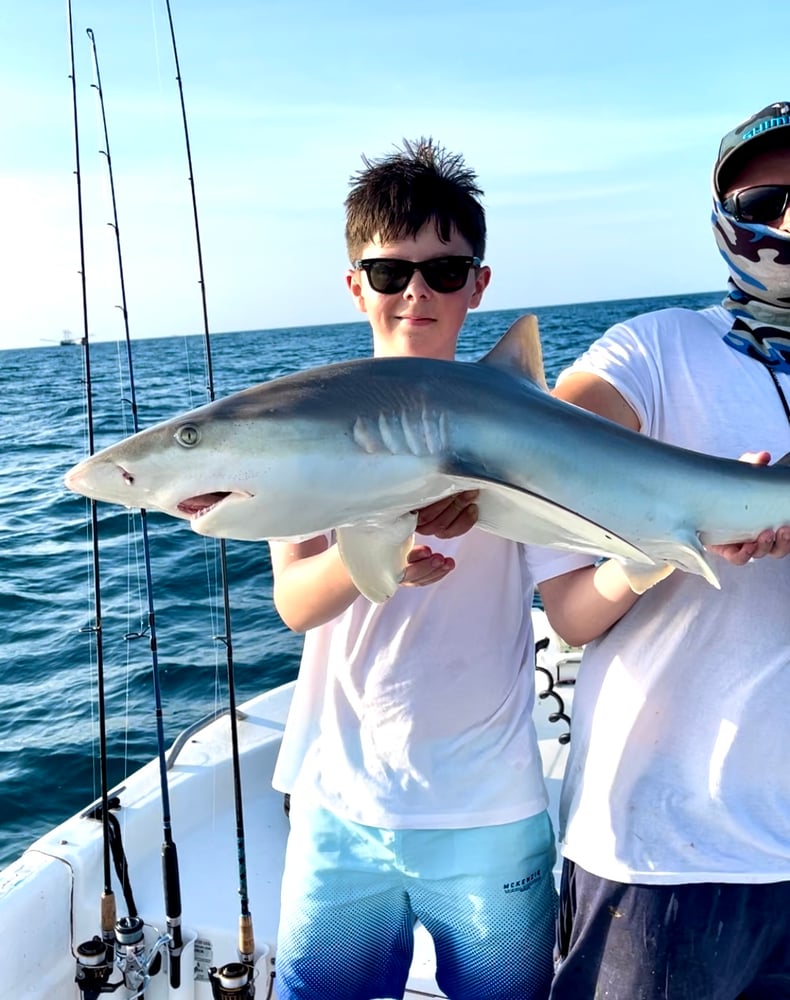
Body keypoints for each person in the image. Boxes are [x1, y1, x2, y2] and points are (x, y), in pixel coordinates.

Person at [268, 139, 572, 1000]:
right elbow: (295, 601)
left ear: (479, 284)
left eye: (445, 272)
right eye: (391, 271)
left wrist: (662, 560)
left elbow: (573, 601)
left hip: (491, 806)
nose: (417, 293)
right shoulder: (301, 424)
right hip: (340, 804)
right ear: (354, 282)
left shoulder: (527, 432)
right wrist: (383, 556)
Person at [535, 102, 790, 999]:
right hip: (662, 855)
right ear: (726, 215)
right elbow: (566, 602)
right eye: (769, 196)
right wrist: (678, 522)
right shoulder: (656, 348)